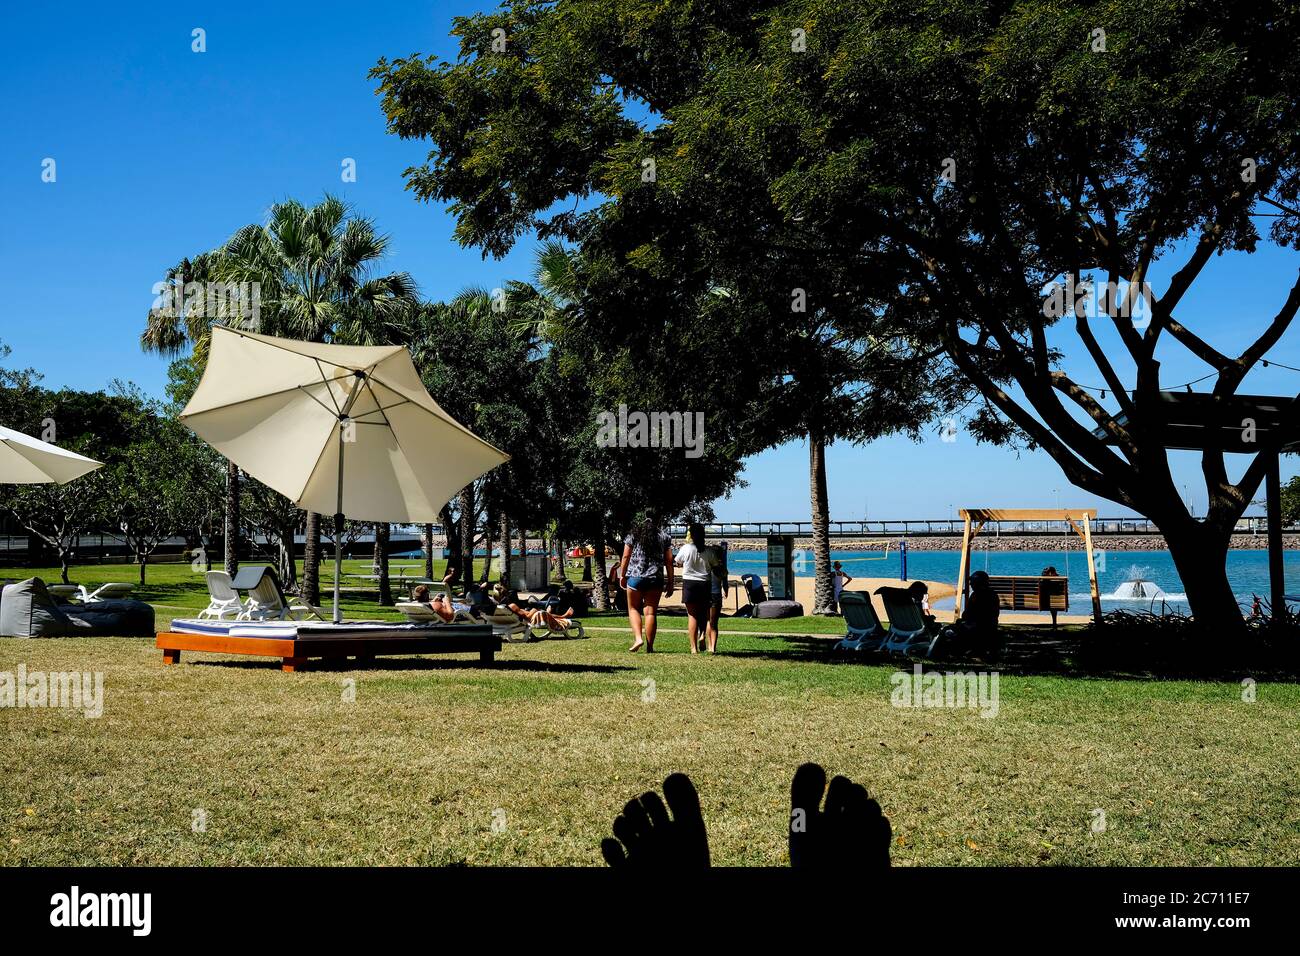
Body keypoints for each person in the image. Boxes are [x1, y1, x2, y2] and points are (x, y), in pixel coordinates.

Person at [619, 514, 674, 653]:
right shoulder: (664, 536)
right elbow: (669, 561)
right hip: (655, 578)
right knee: (650, 613)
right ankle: (650, 647)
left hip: (636, 576)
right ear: (659, 519)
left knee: (633, 609)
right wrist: (670, 582)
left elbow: (626, 556)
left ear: (644, 517)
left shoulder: (634, 534)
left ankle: (638, 638)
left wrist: (622, 575)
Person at [930, 570, 1001, 658]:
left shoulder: (977, 596)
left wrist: (964, 622)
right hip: (987, 626)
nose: (970, 584)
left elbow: (969, 615)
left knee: (946, 630)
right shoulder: (992, 594)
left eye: (972, 582)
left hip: (977, 627)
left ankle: (940, 653)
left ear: (978, 583)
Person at [674, 523, 712, 654]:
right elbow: (713, 565)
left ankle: (693, 648)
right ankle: (705, 639)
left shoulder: (686, 548)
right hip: (704, 583)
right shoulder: (708, 550)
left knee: (692, 615)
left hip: (690, 582)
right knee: (705, 615)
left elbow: (678, 561)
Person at [701, 539, 729, 653]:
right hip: (716, 595)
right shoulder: (721, 568)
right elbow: (725, 583)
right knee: (714, 623)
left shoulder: (706, 566)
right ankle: (712, 647)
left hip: (705, 594)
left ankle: (704, 638)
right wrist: (726, 591)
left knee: (707, 620)